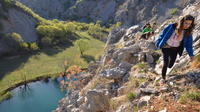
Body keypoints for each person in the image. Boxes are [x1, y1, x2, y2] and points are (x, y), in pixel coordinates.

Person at [155, 15, 195, 84]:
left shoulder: (188, 33)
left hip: (175, 49)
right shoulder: (173, 26)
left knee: (171, 64)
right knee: (166, 62)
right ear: (182, 21)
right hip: (166, 46)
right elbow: (163, 34)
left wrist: (191, 55)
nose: (187, 25)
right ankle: (163, 78)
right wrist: (159, 42)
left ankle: (166, 66)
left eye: (189, 24)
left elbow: (189, 46)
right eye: (186, 23)